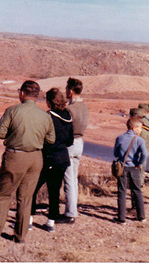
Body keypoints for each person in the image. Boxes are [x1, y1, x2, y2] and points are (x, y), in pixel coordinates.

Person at [0, 80, 55, 244]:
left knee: (4, 195)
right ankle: (20, 236)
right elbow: (51, 139)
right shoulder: (45, 116)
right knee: (26, 198)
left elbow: (0, 133)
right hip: (35, 159)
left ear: (23, 93)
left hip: (15, 157)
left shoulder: (12, 111)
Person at [31, 88, 73, 233]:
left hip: (48, 158)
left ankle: (28, 220)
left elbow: (43, 138)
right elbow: (70, 141)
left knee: (32, 189)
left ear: (49, 101)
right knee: (54, 191)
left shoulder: (48, 116)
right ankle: (51, 222)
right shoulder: (68, 115)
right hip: (62, 159)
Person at [58, 77, 89, 224]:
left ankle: (70, 213)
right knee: (73, 179)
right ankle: (72, 209)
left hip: (69, 145)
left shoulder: (69, 110)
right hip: (80, 144)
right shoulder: (84, 107)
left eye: (66, 90)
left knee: (69, 180)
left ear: (70, 91)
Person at [113, 117, 148, 224]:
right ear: (134, 128)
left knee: (122, 191)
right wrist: (139, 164)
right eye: (140, 128)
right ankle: (141, 216)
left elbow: (115, 154)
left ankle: (121, 218)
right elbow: (145, 155)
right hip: (134, 168)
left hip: (122, 167)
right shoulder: (139, 140)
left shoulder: (119, 138)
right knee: (137, 191)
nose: (141, 130)